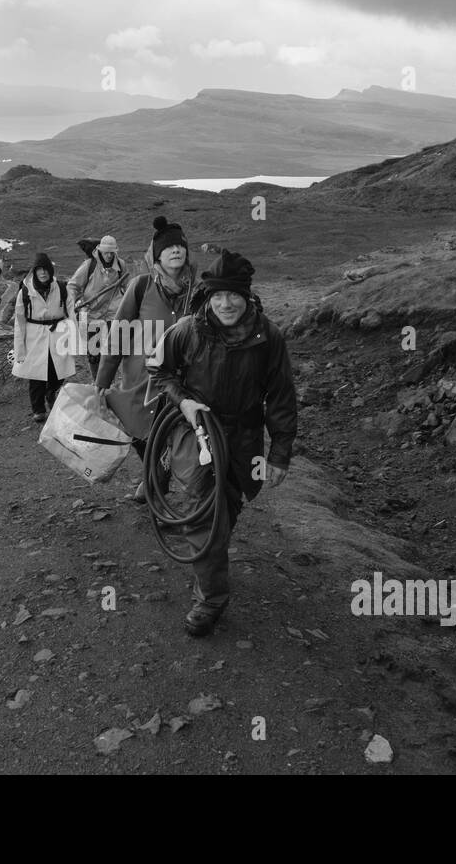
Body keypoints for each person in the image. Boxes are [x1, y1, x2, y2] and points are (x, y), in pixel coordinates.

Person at [146, 248, 298, 637]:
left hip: (244, 437)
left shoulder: (268, 337)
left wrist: (279, 454)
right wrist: (184, 401)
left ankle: (211, 558)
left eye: (233, 295)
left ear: (247, 296)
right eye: (218, 296)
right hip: (196, 431)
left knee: (227, 507)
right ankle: (211, 598)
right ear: (209, 296)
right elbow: (158, 369)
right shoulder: (188, 330)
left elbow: (281, 398)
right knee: (205, 510)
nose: (225, 304)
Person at [95, 215, 197, 502]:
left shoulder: (197, 291)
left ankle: (157, 487)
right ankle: (153, 475)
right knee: (137, 430)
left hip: (182, 380)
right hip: (140, 377)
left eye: (180, 246)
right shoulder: (141, 286)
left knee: (174, 432)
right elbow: (118, 335)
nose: (176, 250)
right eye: (168, 247)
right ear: (156, 256)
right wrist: (103, 379)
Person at [12, 252, 74, 422]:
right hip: (35, 335)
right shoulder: (25, 291)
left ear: (50, 270)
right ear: (34, 271)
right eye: (39, 269)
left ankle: (51, 392)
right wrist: (20, 347)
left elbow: (71, 313)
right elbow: (19, 320)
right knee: (36, 373)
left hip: (58, 333)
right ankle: (38, 409)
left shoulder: (61, 288)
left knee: (58, 371)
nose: (43, 273)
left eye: (45, 269)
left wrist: (74, 338)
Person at [68, 235, 130, 381]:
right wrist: (70, 304)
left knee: (114, 351)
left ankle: (111, 382)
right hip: (92, 315)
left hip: (114, 315)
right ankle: (97, 382)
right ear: (100, 251)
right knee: (94, 353)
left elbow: (128, 286)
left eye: (112, 253)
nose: (109, 256)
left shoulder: (121, 265)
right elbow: (72, 286)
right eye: (106, 252)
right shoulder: (89, 265)